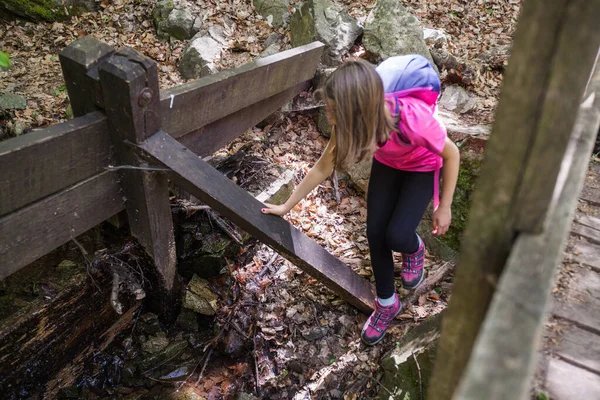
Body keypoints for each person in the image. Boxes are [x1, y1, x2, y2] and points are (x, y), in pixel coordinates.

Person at [261, 55, 460, 345]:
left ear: (356, 110)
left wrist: (445, 206)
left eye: (332, 111)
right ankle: (386, 303)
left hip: (422, 165)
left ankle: (413, 250)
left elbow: (452, 154)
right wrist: (287, 205)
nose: (329, 118)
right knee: (375, 233)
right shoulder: (350, 122)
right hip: (389, 163)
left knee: (397, 234)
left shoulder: (413, 119)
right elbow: (322, 166)